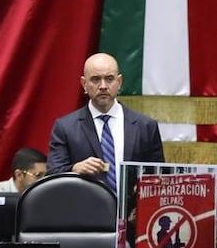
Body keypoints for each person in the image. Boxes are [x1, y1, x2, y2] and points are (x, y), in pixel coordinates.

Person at [46, 52, 165, 189]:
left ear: (119, 82)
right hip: (85, 207)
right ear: (84, 84)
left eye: (109, 79)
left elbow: (158, 177)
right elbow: (52, 176)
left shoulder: (145, 126)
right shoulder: (65, 127)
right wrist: (74, 169)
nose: (103, 86)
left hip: (131, 209)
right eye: (95, 79)